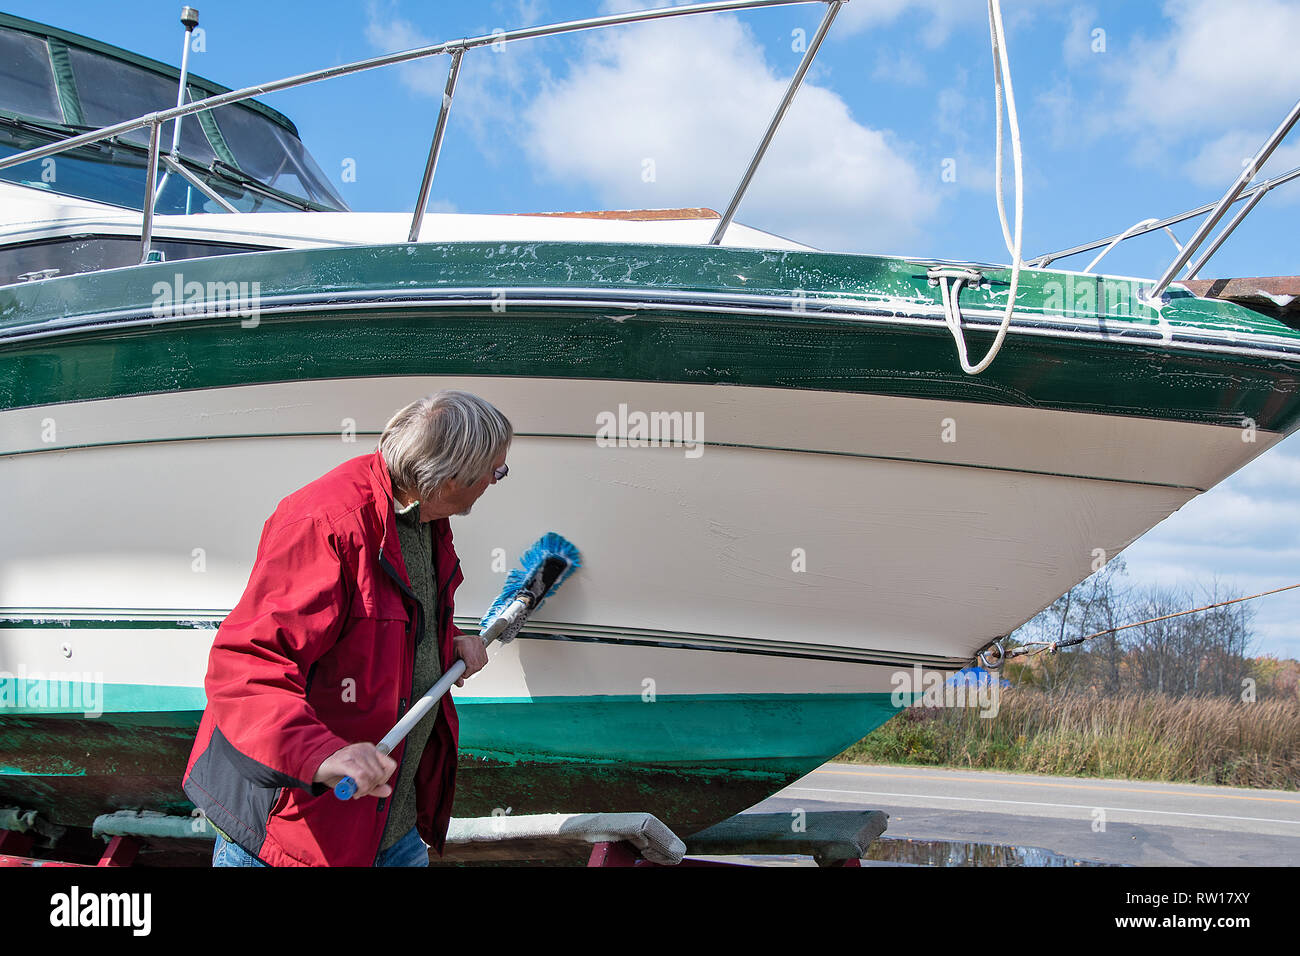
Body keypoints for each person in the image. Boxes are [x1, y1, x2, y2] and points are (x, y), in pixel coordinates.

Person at [183, 390, 512, 867]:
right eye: (496, 472)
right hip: (294, 837)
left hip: (390, 828)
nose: (495, 482)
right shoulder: (326, 524)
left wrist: (447, 639)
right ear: (450, 478)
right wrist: (321, 755)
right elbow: (247, 667)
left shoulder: (421, 514)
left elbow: (382, 621)